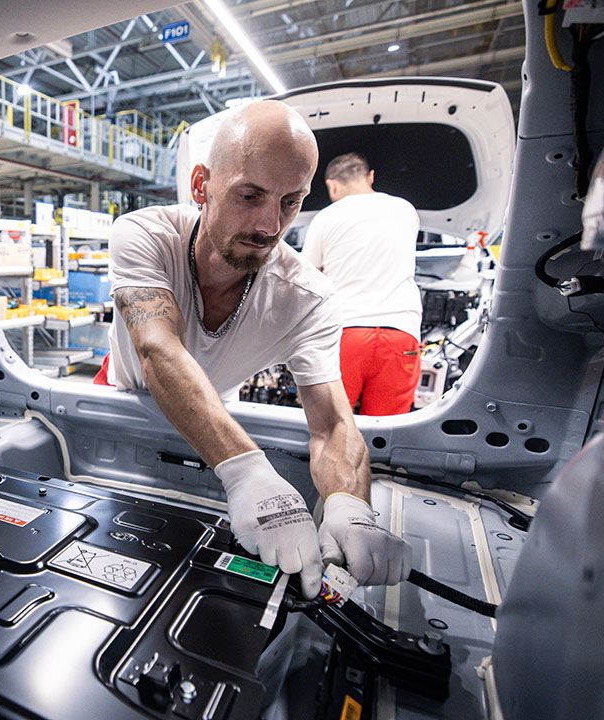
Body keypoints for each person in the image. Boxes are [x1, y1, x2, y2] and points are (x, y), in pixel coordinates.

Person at [94, 101, 409, 597]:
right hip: (122, 403)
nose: (268, 224)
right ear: (201, 185)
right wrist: (247, 471)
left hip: (215, 417)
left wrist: (349, 503)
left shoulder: (309, 299)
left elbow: (330, 422)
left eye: (289, 201)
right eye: (250, 194)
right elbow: (158, 350)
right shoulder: (146, 234)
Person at [302, 153, 422, 415]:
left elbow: (307, 277)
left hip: (346, 333)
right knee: (387, 433)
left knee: (331, 428)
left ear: (332, 186)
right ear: (370, 177)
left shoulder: (325, 218)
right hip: (401, 332)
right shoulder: (404, 209)